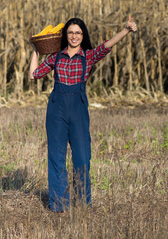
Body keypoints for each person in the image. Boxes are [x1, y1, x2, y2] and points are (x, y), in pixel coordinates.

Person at [29, 16, 138, 212]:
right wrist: (36, 49)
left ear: (82, 35)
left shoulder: (87, 56)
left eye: (78, 33)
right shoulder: (55, 57)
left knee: (82, 156)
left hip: (78, 109)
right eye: (70, 32)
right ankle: (59, 205)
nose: (74, 36)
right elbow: (34, 74)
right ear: (65, 35)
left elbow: (107, 45)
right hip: (56, 110)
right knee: (56, 156)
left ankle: (81, 204)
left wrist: (126, 30)